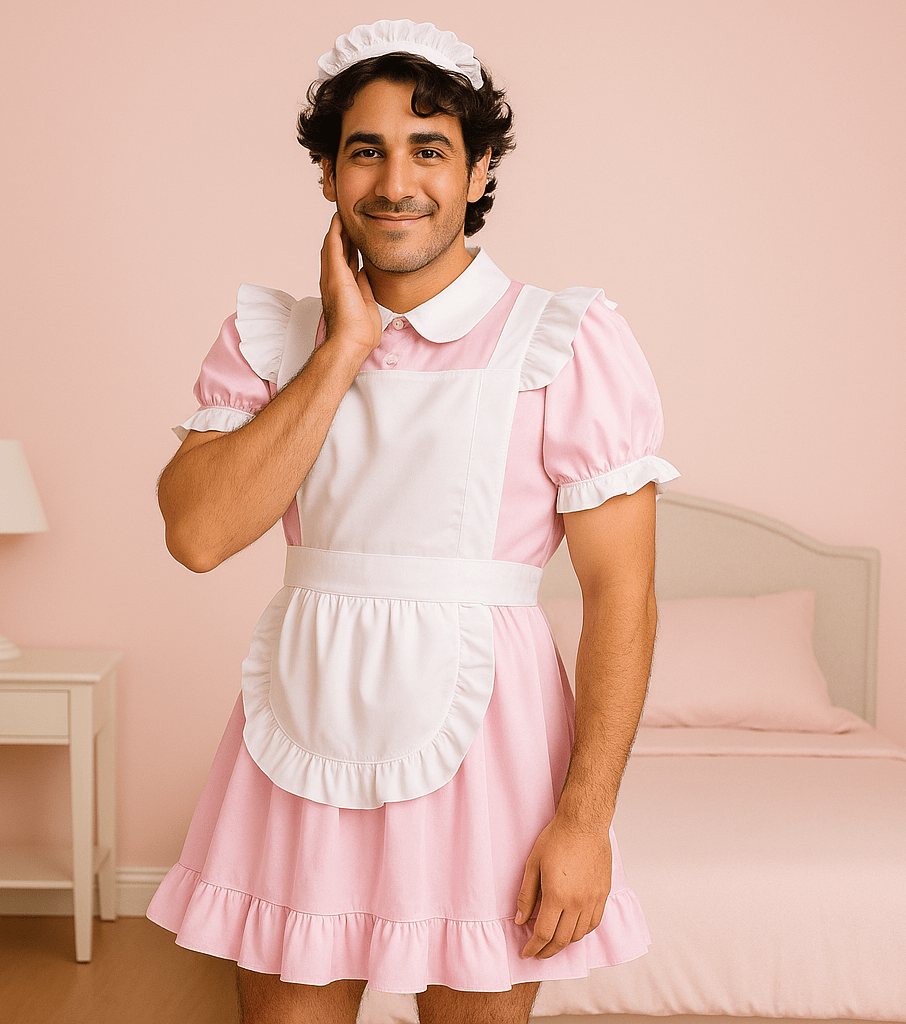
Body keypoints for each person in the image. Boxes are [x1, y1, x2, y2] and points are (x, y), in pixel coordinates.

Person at [147, 19, 679, 1024]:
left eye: (428, 149)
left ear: (478, 171)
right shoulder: (273, 338)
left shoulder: (562, 339)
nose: (396, 180)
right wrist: (343, 347)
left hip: (495, 747)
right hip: (302, 731)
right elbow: (200, 534)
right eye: (366, 150)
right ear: (327, 175)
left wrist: (585, 817)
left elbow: (623, 599)